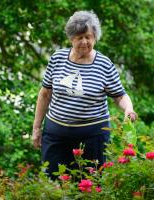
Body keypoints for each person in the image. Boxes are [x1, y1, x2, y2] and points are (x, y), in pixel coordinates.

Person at [32, 10, 137, 179]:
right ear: (71, 38)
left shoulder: (104, 64)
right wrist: (36, 128)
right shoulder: (57, 59)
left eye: (89, 36)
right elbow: (44, 94)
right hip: (55, 136)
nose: (84, 41)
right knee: (52, 182)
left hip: (92, 139)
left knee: (90, 185)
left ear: (95, 37)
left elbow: (119, 95)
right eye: (79, 37)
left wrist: (128, 109)